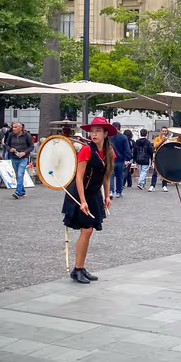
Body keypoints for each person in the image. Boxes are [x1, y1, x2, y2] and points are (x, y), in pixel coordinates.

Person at [62, 117, 115, 283]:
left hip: (94, 194)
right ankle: (77, 269)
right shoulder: (86, 150)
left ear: (106, 133)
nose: (94, 134)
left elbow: (106, 176)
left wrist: (107, 195)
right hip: (80, 194)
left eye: (98, 131)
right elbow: (78, 177)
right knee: (86, 230)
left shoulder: (108, 152)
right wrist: (82, 201)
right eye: (92, 131)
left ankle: (80, 267)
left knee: (89, 231)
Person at [6, 122, 34, 199]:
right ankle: (22, 191)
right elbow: (7, 144)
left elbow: (32, 146)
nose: (13, 129)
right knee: (18, 176)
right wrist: (10, 149)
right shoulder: (11, 135)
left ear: (20, 128)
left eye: (15, 127)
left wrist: (24, 152)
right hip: (14, 157)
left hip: (23, 158)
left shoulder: (26, 135)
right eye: (13, 127)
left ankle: (17, 192)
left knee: (20, 175)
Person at [110, 122, 132, 199]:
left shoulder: (108, 137)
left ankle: (111, 191)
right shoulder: (123, 137)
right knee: (119, 176)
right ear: (120, 128)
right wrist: (127, 159)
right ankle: (118, 192)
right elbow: (127, 149)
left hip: (111, 159)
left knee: (111, 176)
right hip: (120, 160)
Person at [150, 126, 170, 192]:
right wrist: (162, 140)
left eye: (165, 131)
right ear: (161, 131)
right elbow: (155, 146)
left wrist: (166, 140)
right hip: (158, 156)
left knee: (164, 172)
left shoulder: (168, 139)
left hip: (165, 156)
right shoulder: (157, 138)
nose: (164, 132)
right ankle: (152, 185)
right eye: (163, 131)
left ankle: (164, 186)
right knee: (155, 172)